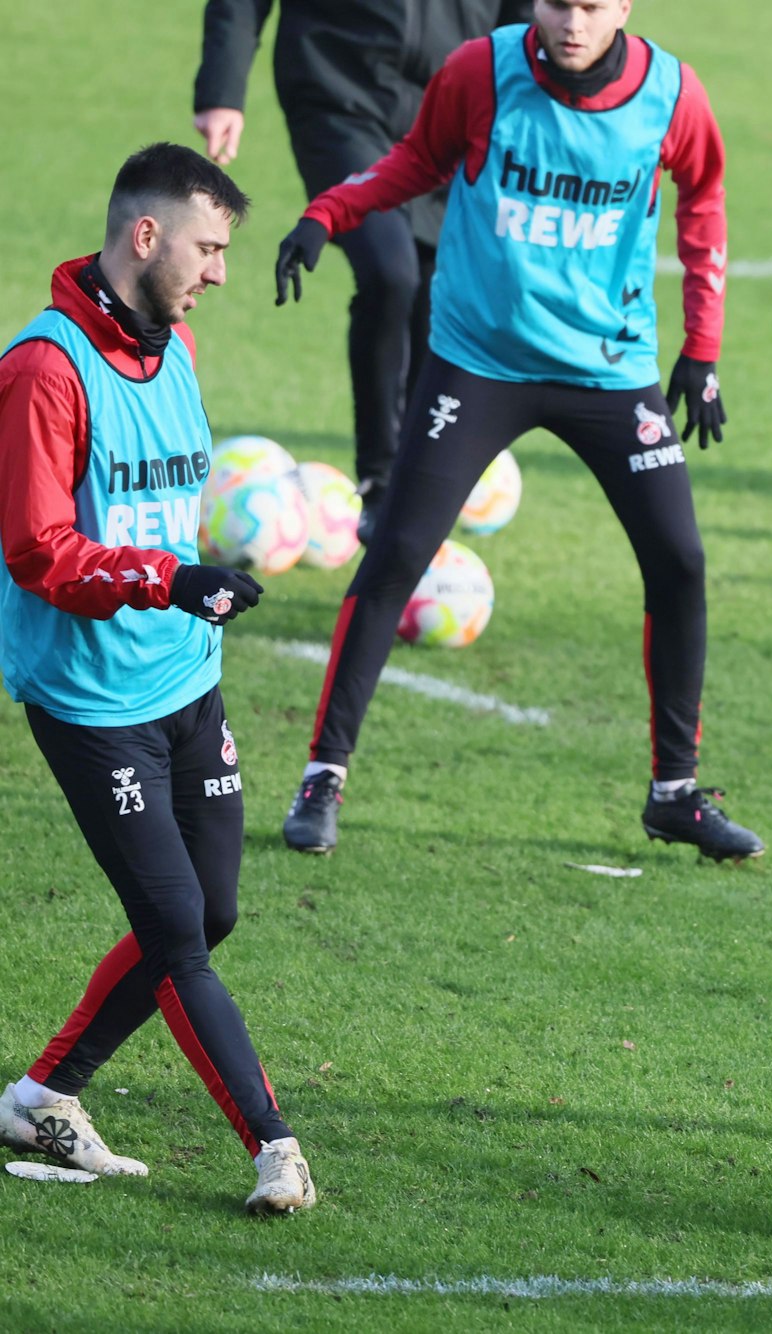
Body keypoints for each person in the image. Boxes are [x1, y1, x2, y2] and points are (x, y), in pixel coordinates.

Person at [273, 0, 760, 863]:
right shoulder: (479, 71)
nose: (571, 22)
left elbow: (706, 200)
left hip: (609, 369)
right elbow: (414, 162)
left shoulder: (672, 95)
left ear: (624, 8)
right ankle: (323, 776)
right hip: (476, 362)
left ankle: (675, 793)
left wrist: (704, 348)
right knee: (395, 553)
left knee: (680, 561)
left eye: (592, 5)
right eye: (556, 1)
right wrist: (328, 217)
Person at [0, 143, 317, 1213]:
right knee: (177, 924)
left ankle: (42, 1091)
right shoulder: (44, 371)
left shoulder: (170, 342)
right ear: (147, 236)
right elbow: (38, 549)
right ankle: (273, 1143)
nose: (221, 271)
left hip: (188, 680)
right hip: (92, 703)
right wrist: (168, 576)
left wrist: (198, 585)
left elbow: (164, 501)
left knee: (210, 908)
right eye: (210, 246)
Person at [193, 0, 531, 538]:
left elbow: (526, 16)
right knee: (390, 270)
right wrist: (222, 90)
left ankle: (415, 480)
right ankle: (379, 480)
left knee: (436, 289)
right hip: (336, 92)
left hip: (451, 105)